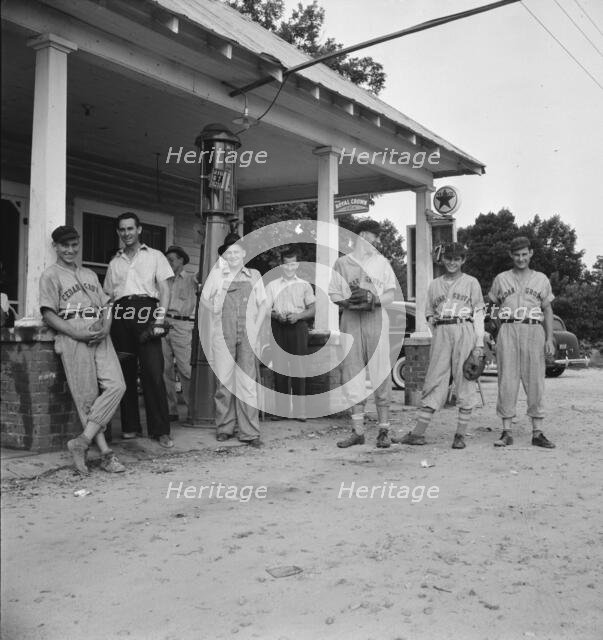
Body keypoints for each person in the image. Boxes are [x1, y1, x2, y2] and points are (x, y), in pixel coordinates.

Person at [39, 225, 126, 474]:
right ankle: (107, 454)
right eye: (64, 245)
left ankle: (82, 441)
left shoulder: (89, 274)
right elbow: (48, 313)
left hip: (98, 329)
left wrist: (107, 325)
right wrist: (74, 332)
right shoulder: (50, 275)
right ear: (55, 247)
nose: (70, 250)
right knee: (86, 396)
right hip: (72, 330)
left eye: (74, 244)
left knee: (117, 385)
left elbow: (107, 304)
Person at [393, 242, 485, 449]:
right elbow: (428, 314)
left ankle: (460, 435)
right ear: (442, 259)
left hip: (464, 329)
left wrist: (478, 345)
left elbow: (479, 314)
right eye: (449, 258)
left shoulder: (471, 282)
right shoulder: (434, 284)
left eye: (457, 259)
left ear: (463, 260)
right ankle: (417, 434)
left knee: (465, 379)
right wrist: (436, 328)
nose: (452, 262)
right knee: (434, 379)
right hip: (442, 331)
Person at [103, 212, 175, 448]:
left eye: (130, 229)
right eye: (122, 230)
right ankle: (130, 426)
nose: (126, 233)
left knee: (153, 372)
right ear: (118, 232)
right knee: (125, 372)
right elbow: (108, 298)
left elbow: (164, 289)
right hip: (121, 315)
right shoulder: (114, 262)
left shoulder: (155, 256)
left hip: (147, 311)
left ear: (139, 229)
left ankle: (160, 430)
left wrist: (159, 319)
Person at [329, 220, 397, 448]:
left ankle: (384, 431)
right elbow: (333, 293)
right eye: (373, 236)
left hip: (375, 319)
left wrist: (374, 299)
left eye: (378, 237)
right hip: (351, 319)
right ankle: (358, 431)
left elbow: (390, 294)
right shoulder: (342, 262)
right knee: (352, 373)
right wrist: (347, 300)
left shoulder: (382, 263)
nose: (376, 241)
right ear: (360, 235)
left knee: (380, 372)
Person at [488, 236, 556, 448]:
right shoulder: (501, 278)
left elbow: (547, 309)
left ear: (531, 253)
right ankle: (507, 431)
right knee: (507, 380)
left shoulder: (541, 279)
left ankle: (537, 432)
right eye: (516, 255)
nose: (520, 259)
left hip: (533, 329)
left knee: (535, 380)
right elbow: (492, 306)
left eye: (524, 254)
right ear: (511, 255)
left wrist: (550, 338)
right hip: (508, 328)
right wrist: (491, 330)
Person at [200, 234, 266, 447]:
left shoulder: (254, 275)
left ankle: (250, 432)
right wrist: (215, 309)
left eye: (237, 251)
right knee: (225, 382)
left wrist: (256, 327)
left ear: (244, 253)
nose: (233, 255)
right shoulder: (217, 276)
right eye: (229, 252)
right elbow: (204, 300)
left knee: (247, 382)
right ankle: (225, 428)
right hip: (223, 333)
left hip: (248, 333)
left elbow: (263, 304)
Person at [265, 247, 315, 420]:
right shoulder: (272, 286)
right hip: (278, 327)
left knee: (298, 368)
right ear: (281, 265)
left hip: (298, 327)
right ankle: (282, 411)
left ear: (297, 264)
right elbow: (265, 309)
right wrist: (275, 315)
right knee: (279, 368)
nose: (289, 268)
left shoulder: (304, 285)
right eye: (286, 264)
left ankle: (300, 411)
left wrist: (298, 316)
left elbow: (313, 310)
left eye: (293, 264)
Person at [162, 245, 197, 422]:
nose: (168, 263)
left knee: (186, 369)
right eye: (166, 260)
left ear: (181, 260)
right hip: (163, 324)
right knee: (165, 369)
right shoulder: (164, 281)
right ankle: (170, 410)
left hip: (183, 325)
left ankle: (193, 409)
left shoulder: (191, 280)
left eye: (172, 259)